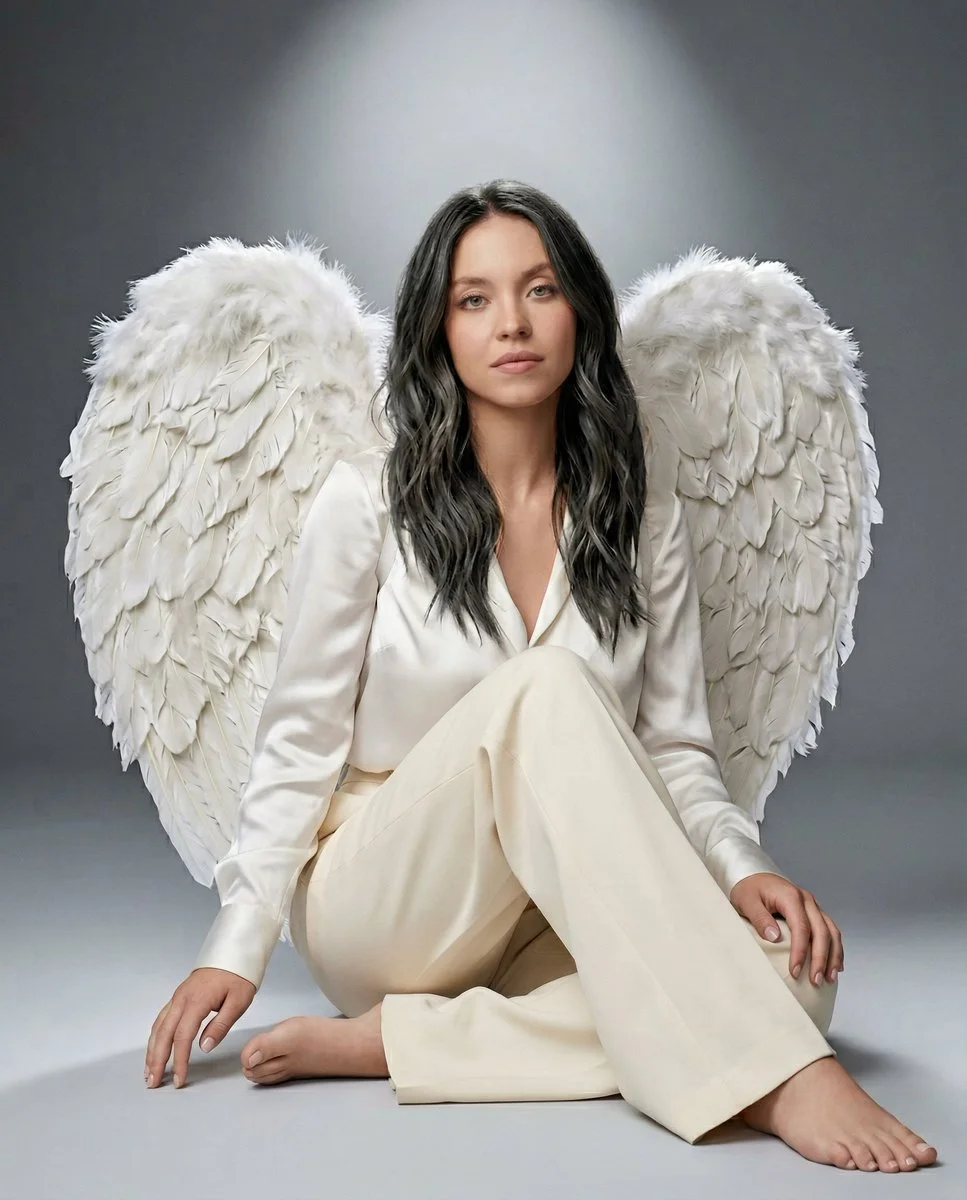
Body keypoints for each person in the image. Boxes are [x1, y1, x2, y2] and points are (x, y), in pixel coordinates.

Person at [144, 180, 937, 1173]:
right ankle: (784, 1080)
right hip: (385, 904)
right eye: (473, 299)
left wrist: (745, 868)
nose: (511, 323)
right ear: (439, 331)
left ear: (580, 314)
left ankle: (400, 1044)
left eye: (540, 290)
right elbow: (297, 742)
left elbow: (674, 750)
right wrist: (235, 944)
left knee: (793, 978)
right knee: (549, 686)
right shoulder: (365, 505)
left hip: (540, 912)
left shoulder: (642, 519)